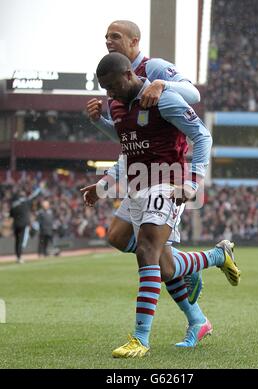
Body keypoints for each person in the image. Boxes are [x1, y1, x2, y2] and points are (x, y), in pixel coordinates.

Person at [82, 52, 241, 358]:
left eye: (113, 86)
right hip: (137, 184)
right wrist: (103, 184)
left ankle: (140, 338)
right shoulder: (116, 106)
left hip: (167, 182)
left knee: (146, 251)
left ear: (129, 75)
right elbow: (127, 147)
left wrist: (193, 183)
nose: (109, 94)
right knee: (142, 253)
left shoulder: (162, 98)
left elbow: (201, 136)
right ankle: (215, 257)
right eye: (104, 88)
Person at [86, 20, 202, 304]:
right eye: (106, 37)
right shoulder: (116, 78)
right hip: (139, 172)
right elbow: (128, 136)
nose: (108, 41)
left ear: (134, 40)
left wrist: (162, 84)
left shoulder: (154, 68)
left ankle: (149, 332)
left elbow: (194, 95)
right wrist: (98, 121)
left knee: (153, 257)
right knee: (129, 243)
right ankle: (186, 265)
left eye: (115, 36)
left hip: (168, 173)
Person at [10, 186, 42, 263]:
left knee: (17, 241)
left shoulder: (14, 205)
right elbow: (33, 196)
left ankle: (18, 256)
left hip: (15, 225)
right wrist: (39, 188)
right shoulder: (26, 202)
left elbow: (11, 215)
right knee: (21, 241)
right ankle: (20, 257)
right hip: (23, 224)